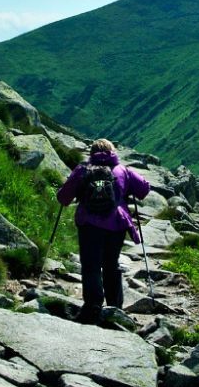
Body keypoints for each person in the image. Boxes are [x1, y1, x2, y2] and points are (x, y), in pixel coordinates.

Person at [55, 139, 151, 324]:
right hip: (116, 224)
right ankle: (115, 307)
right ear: (112, 152)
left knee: (91, 265)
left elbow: (63, 198)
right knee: (111, 264)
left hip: (89, 224)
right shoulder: (122, 170)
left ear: (92, 152)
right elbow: (145, 189)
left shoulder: (83, 170)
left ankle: (92, 307)